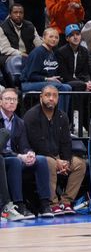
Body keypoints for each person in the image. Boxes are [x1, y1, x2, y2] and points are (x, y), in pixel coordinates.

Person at [23, 85, 86, 215]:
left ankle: (66, 201)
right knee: (49, 163)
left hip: (59, 156)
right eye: (47, 95)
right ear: (41, 97)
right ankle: (53, 203)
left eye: (54, 95)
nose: (51, 98)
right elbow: (37, 144)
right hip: (38, 156)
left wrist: (66, 161)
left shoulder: (62, 116)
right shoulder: (31, 116)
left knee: (80, 164)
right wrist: (56, 161)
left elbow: (66, 142)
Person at [0, 88, 53, 220]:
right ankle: (19, 204)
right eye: (7, 99)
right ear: (0, 102)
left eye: (14, 99)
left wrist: (29, 153)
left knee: (40, 160)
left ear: (17, 103)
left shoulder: (19, 122)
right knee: (15, 161)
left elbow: (24, 145)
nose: (11, 102)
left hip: (16, 157)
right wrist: (19, 156)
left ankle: (44, 204)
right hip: (4, 158)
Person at [21, 27, 72, 114]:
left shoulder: (53, 53)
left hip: (46, 82)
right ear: (44, 38)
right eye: (51, 36)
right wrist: (47, 79)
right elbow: (31, 75)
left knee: (68, 87)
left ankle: (64, 117)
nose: (54, 39)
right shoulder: (37, 52)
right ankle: (58, 116)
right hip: (29, 83)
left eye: (56, 37)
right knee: (61, 87)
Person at [56, 23, 91, 96]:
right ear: (67, 38)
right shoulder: (61, 52)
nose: (75, 37)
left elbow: (86, 72)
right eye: (72, 35)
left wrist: (88, 82)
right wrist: (84, 83)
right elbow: (65, 75)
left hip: (81, 81)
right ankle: (77, 107)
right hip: (67, 81)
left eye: (77, 34)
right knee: (80, 85)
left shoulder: (84, 51)